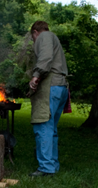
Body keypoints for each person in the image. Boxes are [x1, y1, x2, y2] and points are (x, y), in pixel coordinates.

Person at [28, 20, 69, 177]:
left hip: (51, 87)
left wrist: (35, 77)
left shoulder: (44, 36)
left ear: (35, 32)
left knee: (43, 125)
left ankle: (46, 168)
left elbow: (45, 58)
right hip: (61, 87)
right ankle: (52, 165)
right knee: (51, 128)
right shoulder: (54, 38)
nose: (34, 41)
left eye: (33, 38)